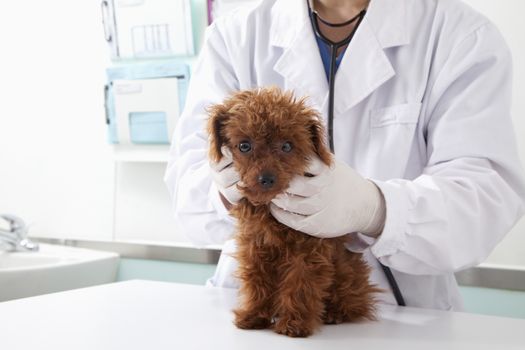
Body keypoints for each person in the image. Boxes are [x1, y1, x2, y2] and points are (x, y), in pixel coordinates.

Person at [164, 0, 525, 310]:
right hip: (258, 305)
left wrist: (376, 208)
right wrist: (224, 191)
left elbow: (483, 196)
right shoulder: (236, 35)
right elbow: (187, 185)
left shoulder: (457, 34)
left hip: (400, 316)